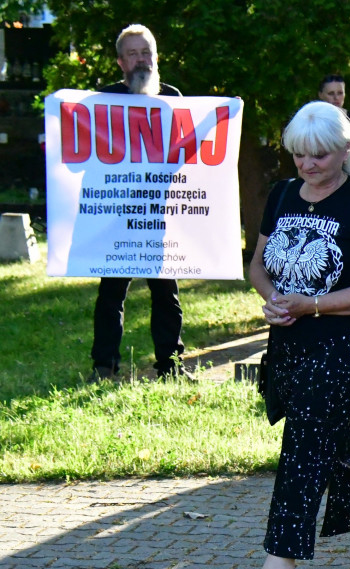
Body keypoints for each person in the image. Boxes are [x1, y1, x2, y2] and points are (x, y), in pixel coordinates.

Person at [236, 102, 350, 569]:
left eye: (319, 155)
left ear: (344, 149)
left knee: (304, 441)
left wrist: (312, 304)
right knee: (327, 437)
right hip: (289, 335)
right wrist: (271, 298)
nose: (308, 165)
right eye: (299, 156)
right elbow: (258, 264)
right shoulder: (285, 194)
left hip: (342, 338)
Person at [89, 24, 186, 382]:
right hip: (117, 215)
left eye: (146, 51)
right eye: (133, 53)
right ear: (120, 62)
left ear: (156, 57)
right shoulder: (102, 101)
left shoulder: (174, 98)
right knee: (111, 292)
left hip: (161, 214)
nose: (141, 59)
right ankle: (104, 366)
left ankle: (170, 366)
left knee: (166, 292)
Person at [319, 74, 350, 162]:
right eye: (331, 93)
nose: (336, 98)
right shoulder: (313, 119)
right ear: (321, 95)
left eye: (340, 93)